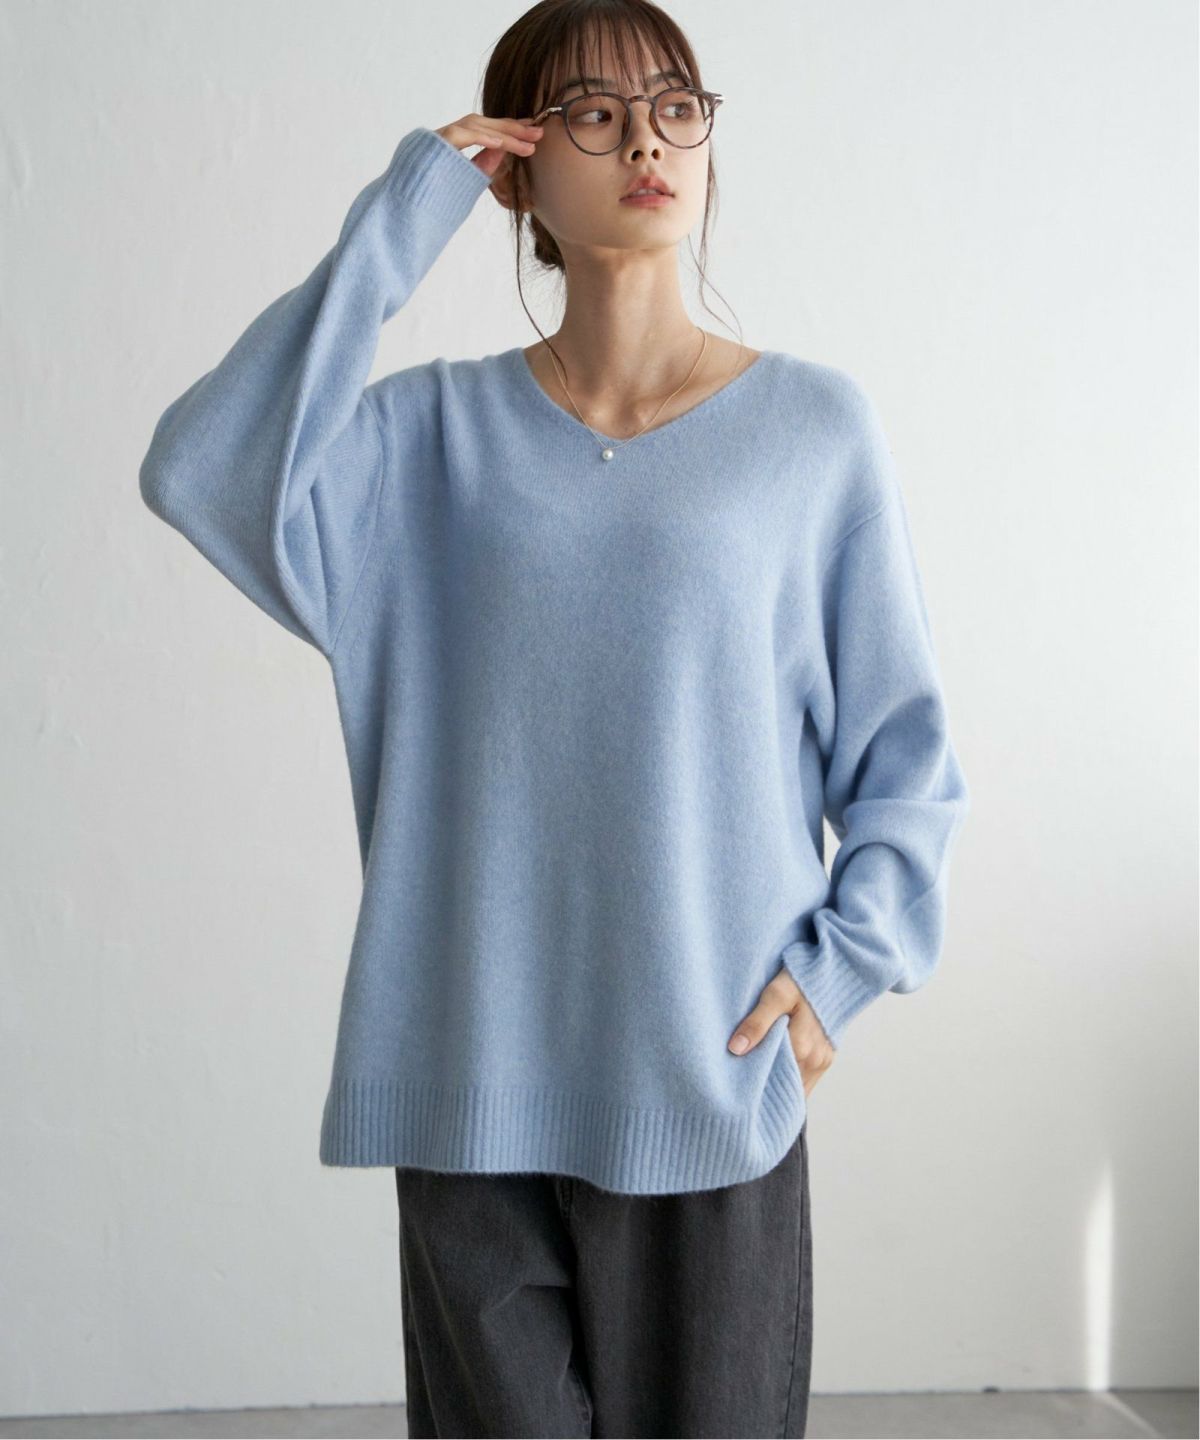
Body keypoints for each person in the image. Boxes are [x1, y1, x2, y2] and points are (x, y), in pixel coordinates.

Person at [137, 2, 970, 1435]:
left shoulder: (813, 434)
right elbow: (202, 467)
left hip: (711, 1084)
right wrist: (403, 217)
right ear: (516, 170)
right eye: (592, 111)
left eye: (675, 106)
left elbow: (908, 762)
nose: (646, 139)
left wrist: (841, 969)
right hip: (471, 1089)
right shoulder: (421, 444)